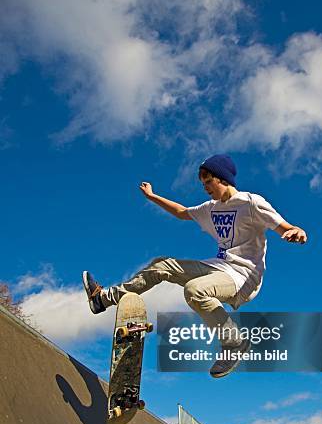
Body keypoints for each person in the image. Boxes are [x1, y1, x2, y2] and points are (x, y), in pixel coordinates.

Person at [83, 154, 307, 378]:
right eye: (203, 184)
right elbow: (182, 213)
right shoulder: (210, 208)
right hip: (219, 267)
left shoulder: (251, 203)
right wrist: (152, 197)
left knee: (195, 290)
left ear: (223, 178)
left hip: (244, 277)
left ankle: (234, 343)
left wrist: (295, 232)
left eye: (208, 182)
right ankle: (103, 299)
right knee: (163, 265)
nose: (206, 188)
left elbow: (284, 226)